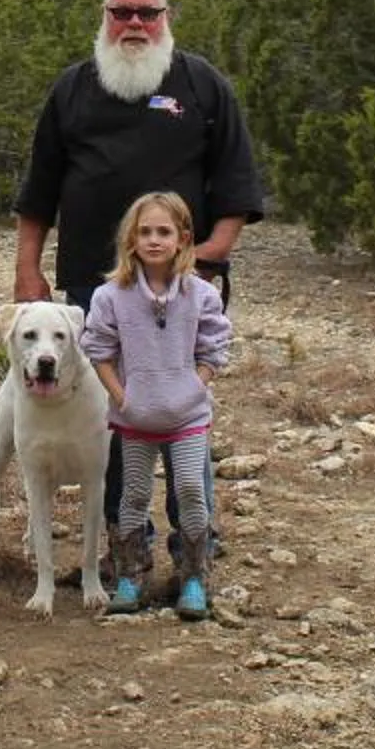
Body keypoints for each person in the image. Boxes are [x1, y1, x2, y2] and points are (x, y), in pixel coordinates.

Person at [12, 0, 268, 563]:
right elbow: (37, 194)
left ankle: (194, 540)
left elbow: (237, 191)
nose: (134, 24)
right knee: (110, 412)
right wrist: (28, 272)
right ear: (103, 16)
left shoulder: (203, 86)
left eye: (146, 14)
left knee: (184, 411)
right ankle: (126, 544)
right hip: (90, 286)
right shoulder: (72, 90)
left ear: (166, 18)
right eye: (121, 12)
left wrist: (202, 261)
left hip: (181, 293)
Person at [82, 191, 231, 620]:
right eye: (144, 231)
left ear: (183, 238)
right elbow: (99, 349)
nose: (153, 240)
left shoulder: (200, 294)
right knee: (134, 494)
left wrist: (194, 387)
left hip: (186, 417)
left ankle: (194, 576)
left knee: (189, 487)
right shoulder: (111, 296)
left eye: (163, 231)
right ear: (130, 239)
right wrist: (121, 397)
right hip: (135, 418)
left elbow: (215, 346)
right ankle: (130, 573)